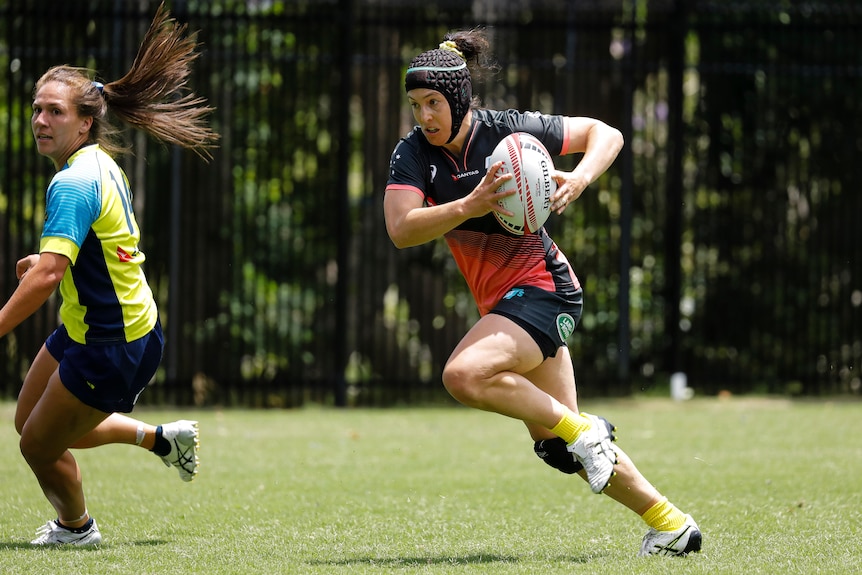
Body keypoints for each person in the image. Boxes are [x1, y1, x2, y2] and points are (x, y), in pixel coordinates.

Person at [383, 29, 702, 557]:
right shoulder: (414, 154)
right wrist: (470, 204)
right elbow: (401, 229)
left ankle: (585, 431)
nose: (424, 116)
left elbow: (608, 133)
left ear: (458, 99)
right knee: (563, 447)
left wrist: (578, 178)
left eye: (434, 103)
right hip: (506, 304)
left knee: (462, 375)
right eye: (416, 105)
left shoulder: (507, 133)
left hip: (544, 289)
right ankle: (671, 524)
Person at [3, 2, 218, 546]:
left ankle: (77, 528)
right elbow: (92, 249)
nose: (40, 121)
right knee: (28, 423)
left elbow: (51, 275)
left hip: (113, 341)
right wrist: (51, 265)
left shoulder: (74, 180)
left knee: (37, 446)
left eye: (54, 111)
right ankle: (161, 440)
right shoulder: (96, 164)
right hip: (89, 326)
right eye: (37, 109)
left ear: (85, 120)